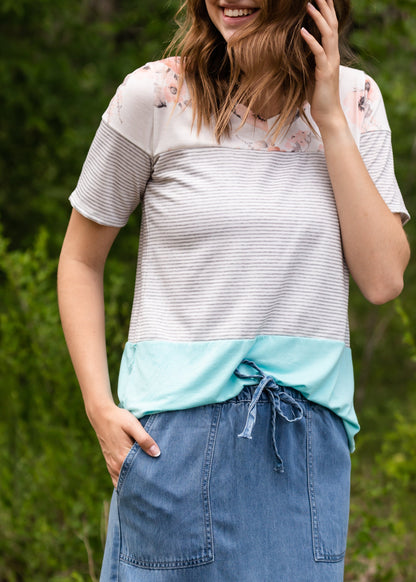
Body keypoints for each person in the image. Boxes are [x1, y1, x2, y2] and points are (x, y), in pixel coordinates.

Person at [57, 0, 410, 580]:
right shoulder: (155, 94)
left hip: (301, 442)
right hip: (169, 443)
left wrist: (329, 116)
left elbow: (382, 279)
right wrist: (99, 407)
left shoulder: (355, 98)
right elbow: (79, 260)